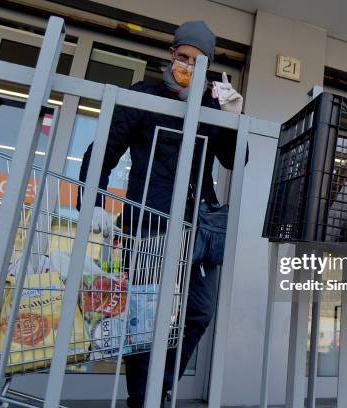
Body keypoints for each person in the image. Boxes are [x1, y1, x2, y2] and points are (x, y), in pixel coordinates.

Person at [77, 20, 245, 407]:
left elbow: (235, 159)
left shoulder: (211, 106)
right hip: (150, 224)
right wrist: (95, 203)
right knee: (143, 321)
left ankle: (161, 385)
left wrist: (233, 119)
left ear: (208, 65)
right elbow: (102, 150)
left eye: (197, 60)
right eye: (182, 56)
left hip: (198, 227)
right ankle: (142, 398)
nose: (187, 65)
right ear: (172, 54)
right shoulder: (144, 95)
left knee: (200, 312)